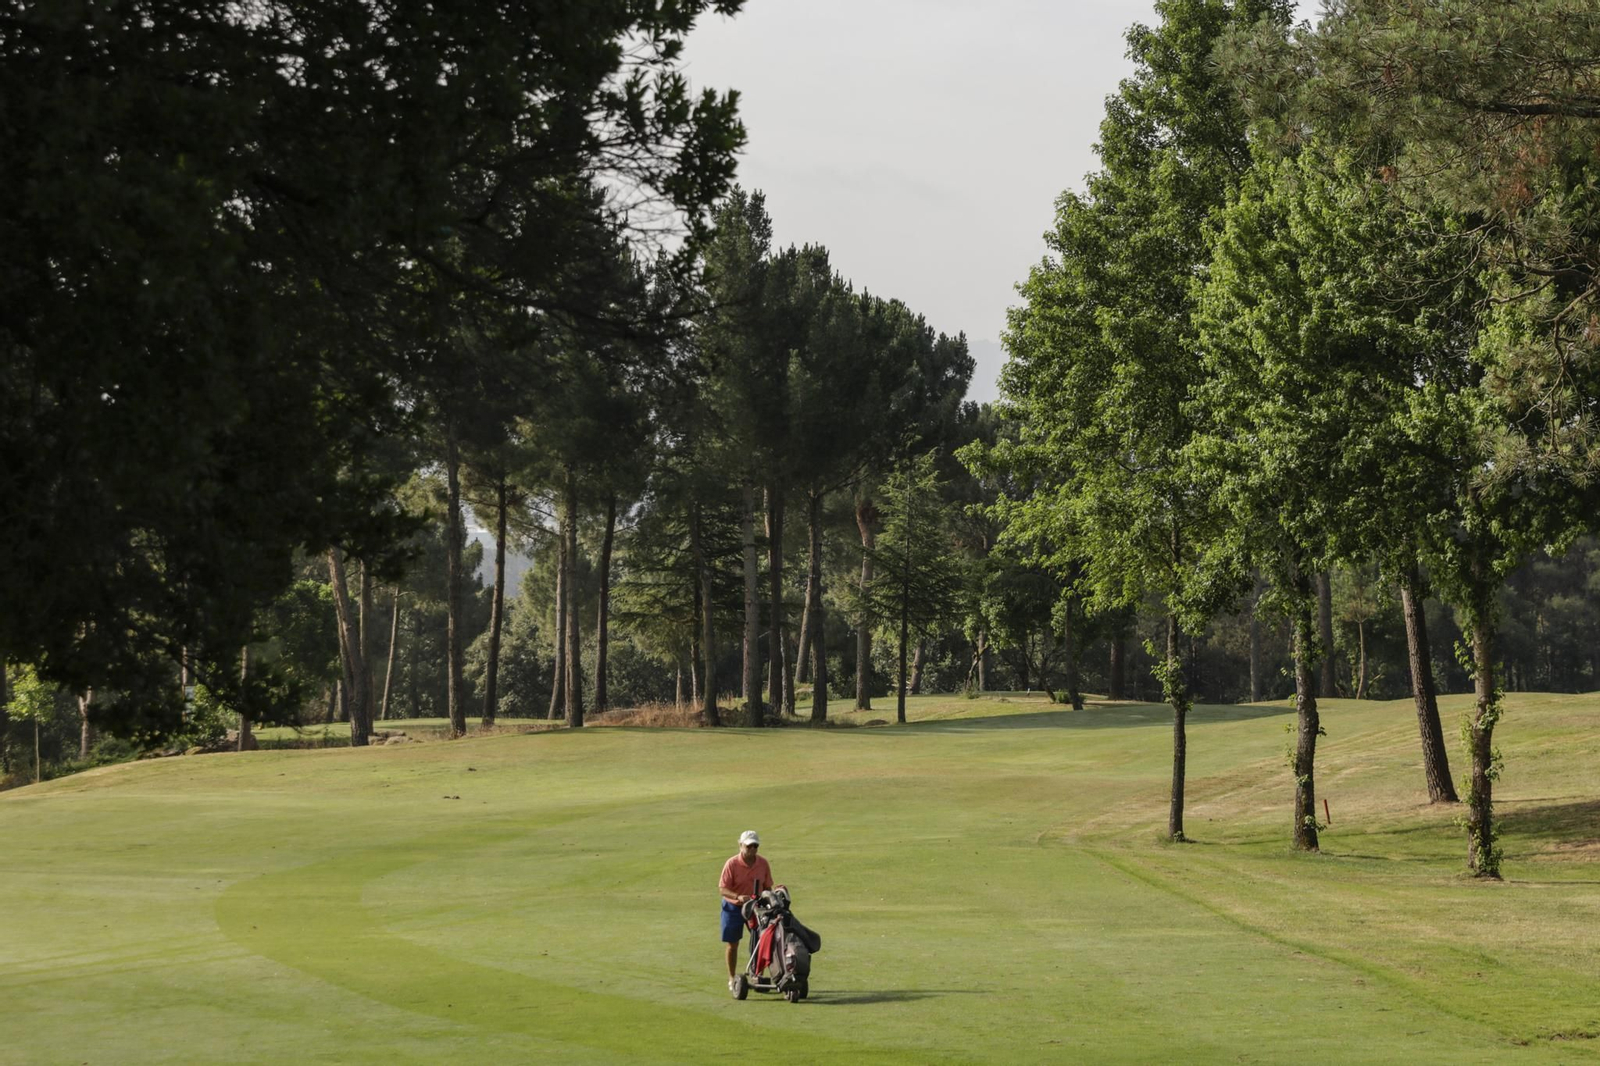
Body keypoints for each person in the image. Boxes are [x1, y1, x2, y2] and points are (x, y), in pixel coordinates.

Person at [718, 829, 774, 990]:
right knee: (732, 944)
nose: (752, 849)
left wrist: (769, 900)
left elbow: (767, 886)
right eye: (749, 846)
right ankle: (731, 977)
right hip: (733, 907)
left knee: (760, 941)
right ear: (740, 845)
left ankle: (757, 975)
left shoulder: (762, 863)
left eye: (755, 846)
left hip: (756, 908)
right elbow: (723, 888)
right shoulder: (732, 864)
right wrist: (737, 896)